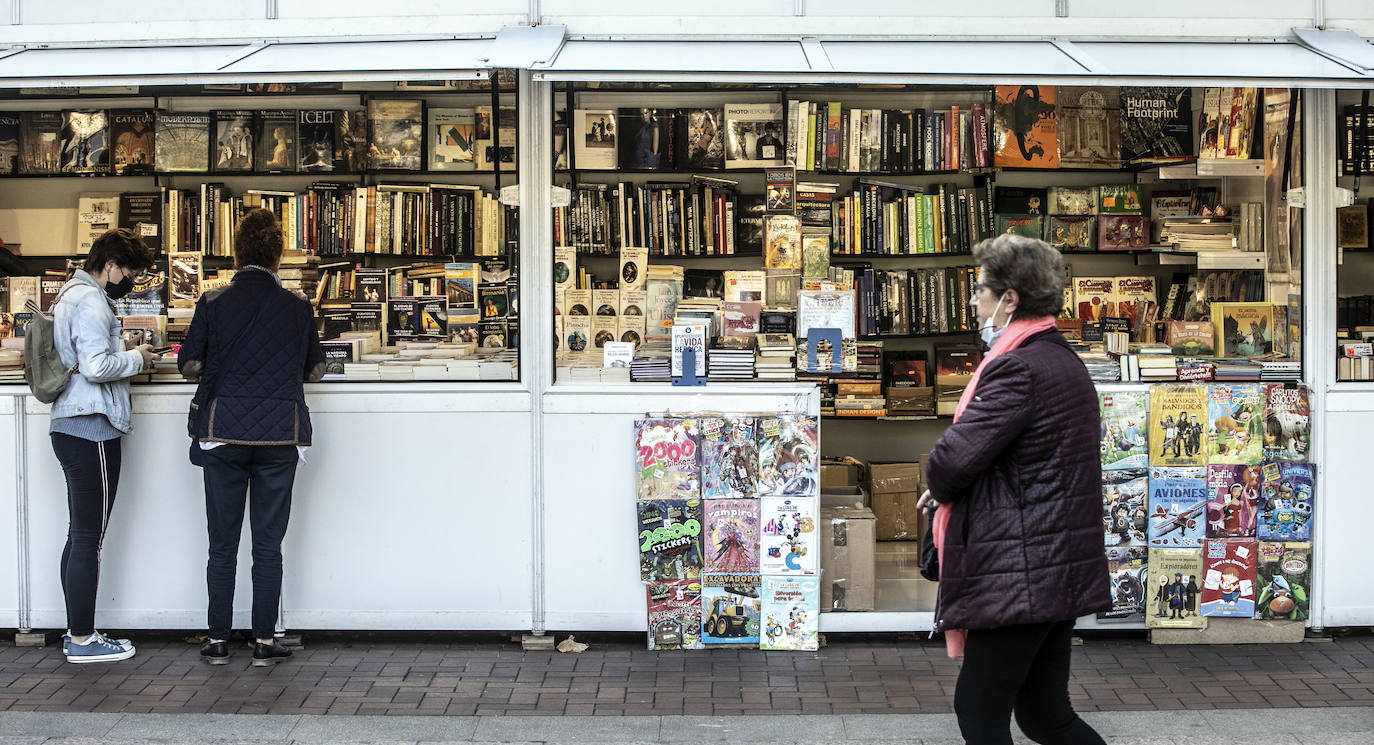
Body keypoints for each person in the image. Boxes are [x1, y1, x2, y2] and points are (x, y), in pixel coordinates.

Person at [917, 234, 1110, 745]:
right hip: (1052, 561)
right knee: (1045, 714)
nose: (975, 300)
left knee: (978, 708)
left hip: (1023, 567)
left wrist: (941, 481)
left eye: (982, 289)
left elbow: (950, 463)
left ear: (1011, 298)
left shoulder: (1016, 367)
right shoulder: (1059, 358)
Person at [179, 208, 325, 667]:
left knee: (222, 542)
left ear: (237, 253)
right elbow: (316, 369)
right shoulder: (299, 306)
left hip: (223, 434)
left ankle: (218, 640)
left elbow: (188, 365)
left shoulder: (213, 301)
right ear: (278, 257)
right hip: (281, 435)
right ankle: (264, 640)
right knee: (268, 543)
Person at [49, 228, 158, 663]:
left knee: (79, 535)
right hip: (90, 426)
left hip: (69, 423)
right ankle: (82, 639)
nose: (129, 279)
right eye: (129, 271)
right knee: (89, 537)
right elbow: (95, 367)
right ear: (110, 264)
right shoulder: (92, 301)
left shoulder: (70, 293)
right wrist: (139, 358)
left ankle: (75, 631)